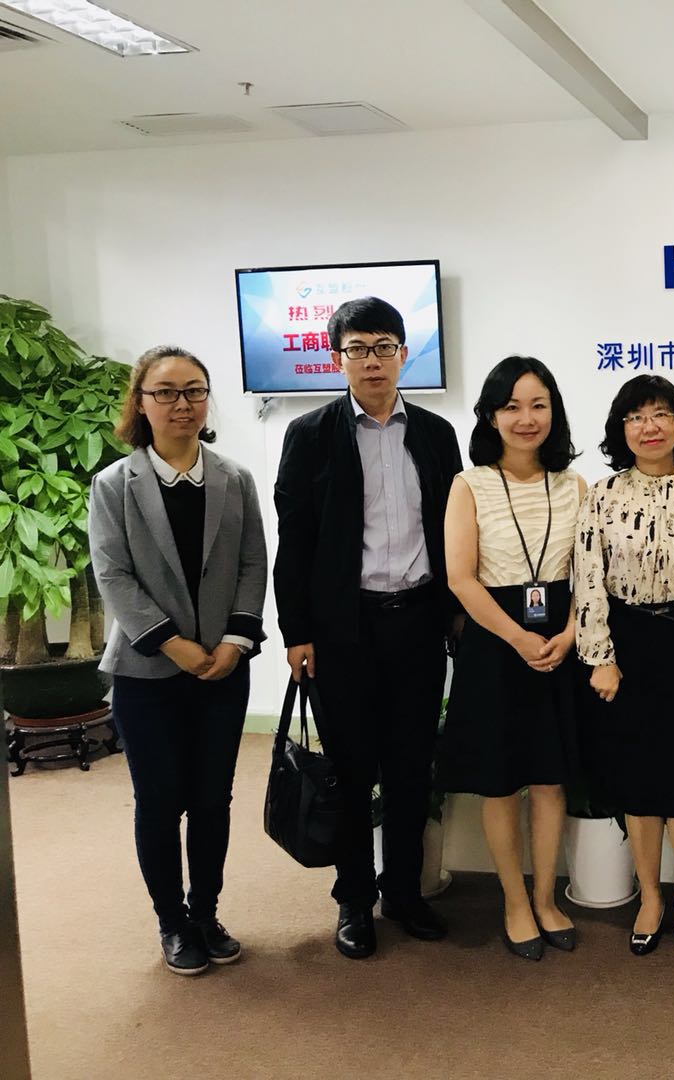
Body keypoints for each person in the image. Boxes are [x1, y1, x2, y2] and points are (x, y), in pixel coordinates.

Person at [273, 296, 462, 959]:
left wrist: (456, 614)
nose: (372, 360)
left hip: (418, 623)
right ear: (338, 359)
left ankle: (404, 892)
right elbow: (294, 542)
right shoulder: (310, 435)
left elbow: (454, 530)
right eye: (358, 349)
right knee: (352, 770)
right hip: (342, 631)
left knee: (410, 768)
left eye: (384, 346)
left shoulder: (436, 434)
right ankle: (354, 898)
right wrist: (296, 633)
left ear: (404, 354)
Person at [89, 346, 267, 975]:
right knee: (160, 802)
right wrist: (173, 643)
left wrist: (234, 642)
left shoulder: (234, 479)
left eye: (194, 390)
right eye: (165, 392)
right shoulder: (115, 485)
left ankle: (206, 913)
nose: (181, 403)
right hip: (147, 674)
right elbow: (112, 574)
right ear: (141, 403)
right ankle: (172, 922)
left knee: (213, 799)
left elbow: (252, 563)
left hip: (222, 668)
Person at [575, 374, 674, 956]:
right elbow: (588, 580)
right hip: (628, 646)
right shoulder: (602, 496)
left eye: (661, 414)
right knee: (639, 779)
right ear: (621, 429)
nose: (650, 427)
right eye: (636, 416)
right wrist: (600, 658)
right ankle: (650, 896)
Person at [434, 355, 585, 961]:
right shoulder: (469, 485)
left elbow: (590, 574)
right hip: (495, 644)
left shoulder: (574, 485)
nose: (527, 418)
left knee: (549, 780)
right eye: (512, 406)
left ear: (554, 413)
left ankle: (546, 899)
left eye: (538, 405)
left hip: (560, 640)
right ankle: (515, 903)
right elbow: (460, 578)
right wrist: (519, 638)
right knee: (500, 784)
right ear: (491, 416)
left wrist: (569, 634)